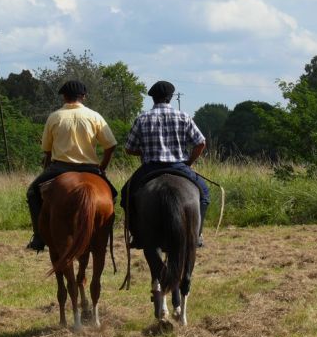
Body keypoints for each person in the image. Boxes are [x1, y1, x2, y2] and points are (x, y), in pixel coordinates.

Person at [26, 80, 118, 252]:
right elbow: (111, 145)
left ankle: (39, 236)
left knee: (32, 192)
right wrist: (102, 167)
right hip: (90, 168)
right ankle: (105, 232)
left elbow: (46, 150)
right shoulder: (95, 116)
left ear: (64, 97)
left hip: (60, 167)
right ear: (83, 96)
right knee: (112, 194)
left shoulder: (55, 117)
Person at [121, 80, 210, 249]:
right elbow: (201, 143)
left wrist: (145, 152)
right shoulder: (184, 116)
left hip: (150, 167)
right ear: (170, 97)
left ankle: (137, 235)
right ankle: (196, 234)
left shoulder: (142, 118)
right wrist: (189, 162)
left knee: (126, 195)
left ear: (153, 99)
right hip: (178, 166)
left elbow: (129, 149)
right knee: (204, 193)